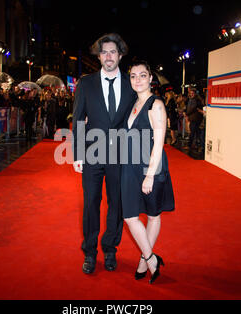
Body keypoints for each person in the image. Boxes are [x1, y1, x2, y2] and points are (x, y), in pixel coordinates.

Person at [72, 33, 136, 274]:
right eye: (104, 52)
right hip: (91, 153)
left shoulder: (131, 83)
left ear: (120, 55)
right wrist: (77, 154)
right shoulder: (86, 83)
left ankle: (110, 249)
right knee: (90, 203)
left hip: (120, 154)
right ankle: (89, 252)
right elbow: (78, 119)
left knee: (116, 204)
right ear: (99, 56)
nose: (109, 56)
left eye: (113, 52)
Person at [121, 61, 175, 284]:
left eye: (142, 75)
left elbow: (158, 143)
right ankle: (152, 258)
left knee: (153, 214)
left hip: (151, 166)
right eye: (133, 76)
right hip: (129, 166)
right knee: (130, 216)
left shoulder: (157, 105)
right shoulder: (133, 103)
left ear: (151, 78)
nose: (137, 80)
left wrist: (150, 174)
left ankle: (144, 260)